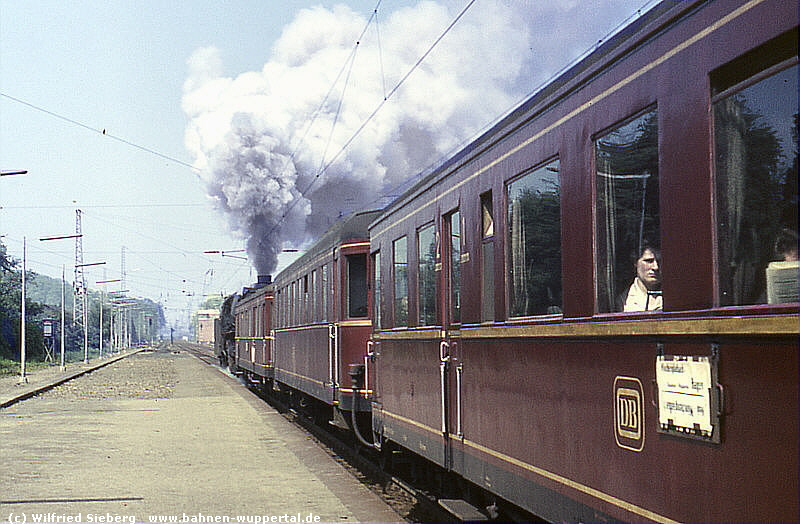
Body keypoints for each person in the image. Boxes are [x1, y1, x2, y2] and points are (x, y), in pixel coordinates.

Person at [622, 244, 662, 312]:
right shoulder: (623, 300)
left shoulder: (674, 296)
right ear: (635, 263)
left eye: (660, 261)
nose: (655, 267)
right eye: (649, 261)